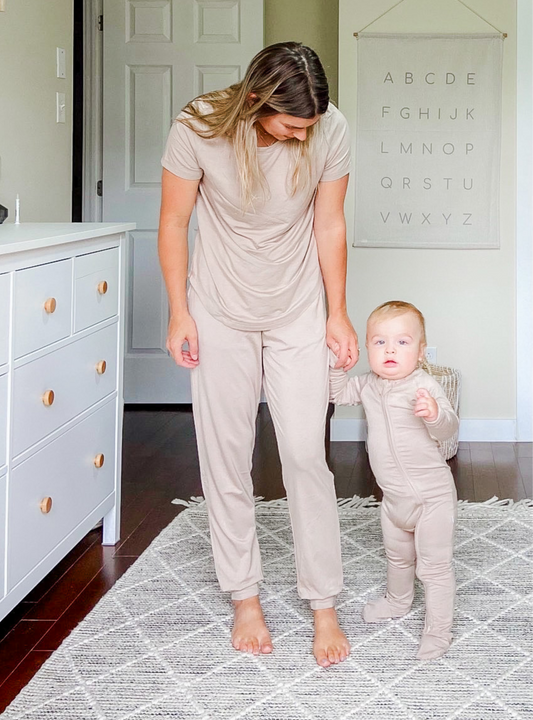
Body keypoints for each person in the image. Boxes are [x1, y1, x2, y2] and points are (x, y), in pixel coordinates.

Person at [158, 42, 358, 667]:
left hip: (297, 306)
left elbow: (329, 223)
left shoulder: (330, 129)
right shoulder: (197, 127)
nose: (304, 135)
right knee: (226, 455)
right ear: (254, 101)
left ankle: (322, 601)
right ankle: (244, 594)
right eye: (291, 125)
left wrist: (339, 312)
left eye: (311, 124)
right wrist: (179, 312)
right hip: (218, 308)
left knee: (305, 454)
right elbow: (173, 221)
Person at [329, 301, 458, 660]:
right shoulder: (368, 385)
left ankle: (438, 631)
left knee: (433, 568)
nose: (389, 350)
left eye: (402, 342)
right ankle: (398, 601)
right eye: (379, 342)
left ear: (419, 352)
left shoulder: (424, 385)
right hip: (393, 501)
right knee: (398, 559)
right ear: (368, 348)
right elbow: (336, 394)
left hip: (431, 499)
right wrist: (338, 363)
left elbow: (449, 426)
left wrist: (433, 415)